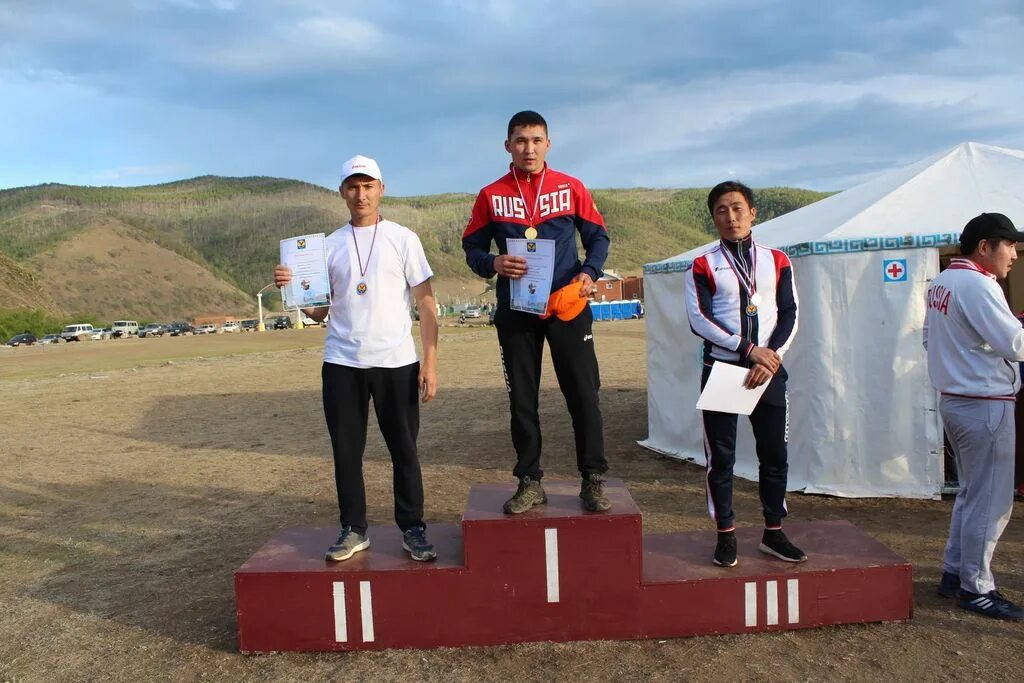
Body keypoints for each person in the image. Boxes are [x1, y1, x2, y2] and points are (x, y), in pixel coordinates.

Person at [274, 154, 440, 563]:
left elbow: (427, 303)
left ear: (381, 189)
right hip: (343, 363)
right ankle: (353, 529)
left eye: (368, 186)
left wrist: (430, 364)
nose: (361, 194)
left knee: (404, 449)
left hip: (396, 362)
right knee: (346, 451)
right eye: (353, 186)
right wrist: (291, 290)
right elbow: (320, 311)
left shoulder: (403, 239)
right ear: (342, 192)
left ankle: (413, 528)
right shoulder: (327, 246)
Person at [462, 110, 611, 514]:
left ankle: (593, 479)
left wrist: (589, 272)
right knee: (522, 400)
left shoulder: (570, 186)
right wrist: (492, 263)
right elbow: (472, 248)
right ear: (508, 145)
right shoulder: (491, 195)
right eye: (521, 140)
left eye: (536, 140)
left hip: (567, 307)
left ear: (548, 143)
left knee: (583, 395)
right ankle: (529, 481)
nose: (529, 148)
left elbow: (598, 237)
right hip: (516, 311)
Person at [683, 181, 804, 567]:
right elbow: (698, 320)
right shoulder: (702, 265)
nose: (731, 217)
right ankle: (726, 534)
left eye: (737, 208)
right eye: (721, 210)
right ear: (713, 217)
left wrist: (769, 359)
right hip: (724, 368)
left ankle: (774, 532)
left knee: (775, 455)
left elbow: (790, 312)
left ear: (753, 212)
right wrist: (748, 351)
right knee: (721, 458)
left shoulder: (778, 260)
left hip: (768, 371)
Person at [924, 212, 1024, 621]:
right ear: (985, 247)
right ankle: (976, 586)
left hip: (956, 398)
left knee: (971, 492)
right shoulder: (979, 284)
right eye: (1010, 245)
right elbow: (1013, 343)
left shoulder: (942, 281)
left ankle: (955, 572)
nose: (1014, 254)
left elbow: (930, 339)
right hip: (984, 402)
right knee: (991, 499)